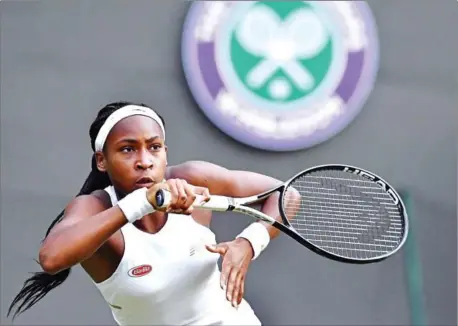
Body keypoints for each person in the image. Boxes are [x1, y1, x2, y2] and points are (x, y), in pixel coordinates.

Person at [7, 101, 286, 325]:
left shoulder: (192, 177)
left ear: (165, 152)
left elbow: (287, 195)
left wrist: (248, 243)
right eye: (127, 150)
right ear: (102, 161)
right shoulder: (93, 208)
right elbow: (52, 258)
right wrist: (142, 202)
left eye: (154, 148)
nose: (144, 162)